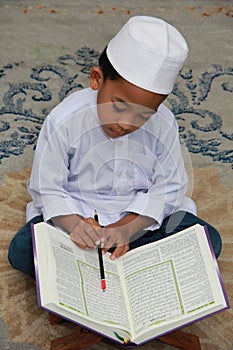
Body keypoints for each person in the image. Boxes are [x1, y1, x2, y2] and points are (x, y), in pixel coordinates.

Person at [8, 16, 222, 279]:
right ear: (97, 79)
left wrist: (126, 229)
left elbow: (170, 189)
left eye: (143, 115)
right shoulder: (64, 120)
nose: (126, 124)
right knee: (23, 249)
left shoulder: (164, 124)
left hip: (139, 222)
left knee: (207, 240)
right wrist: (74, 224)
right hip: (76, 220)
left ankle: (90, 275)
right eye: (119, 106)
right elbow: (46, 187)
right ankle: (127, 273)